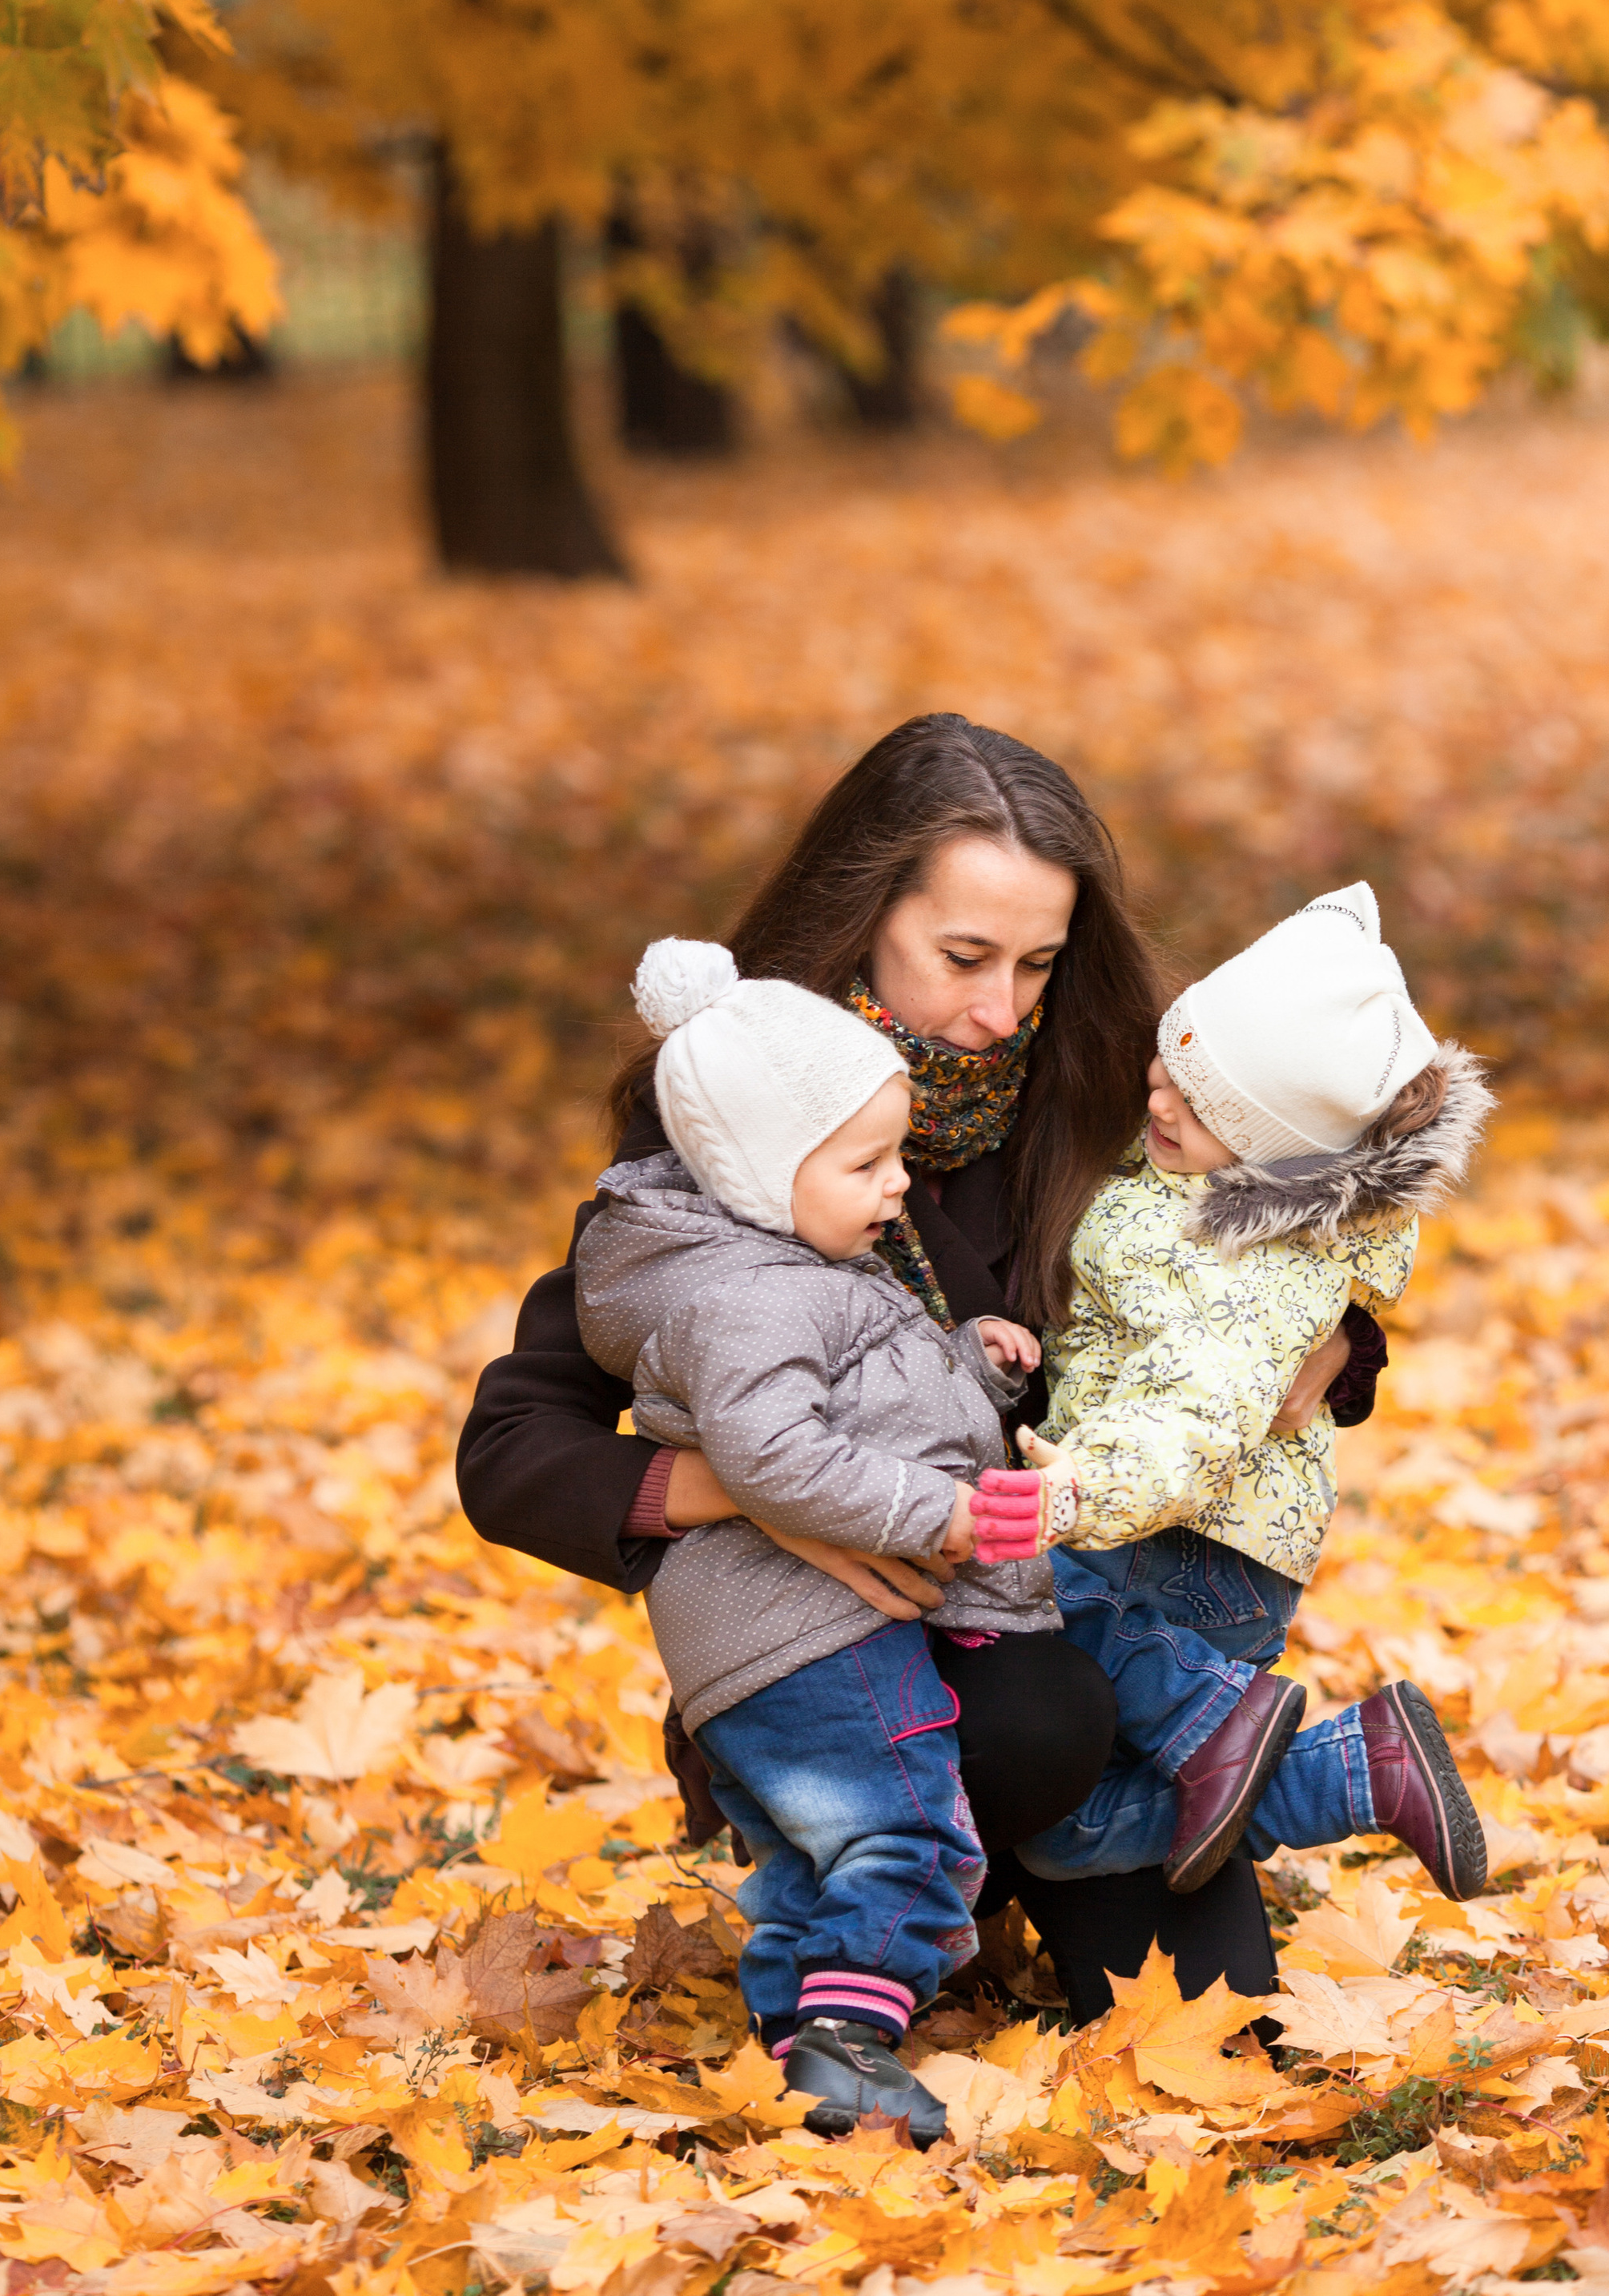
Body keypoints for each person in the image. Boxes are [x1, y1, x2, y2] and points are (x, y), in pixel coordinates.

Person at [457, 715, 1353, 2017]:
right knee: (1034, 1725)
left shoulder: (1107, 1090)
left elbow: (1301, 1215)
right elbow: (513, 1447)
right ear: (862, 919)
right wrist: (746, 1486)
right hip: (843, 1657)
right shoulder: (745, 1120)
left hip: (1078, 1620)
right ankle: (871, 1877)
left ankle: (1007, 1862)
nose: (1001, 1011)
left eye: (1039, 963)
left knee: (1223, 2032)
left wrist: (1342, 1332)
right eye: (964, 956)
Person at [574, 941, 1059, 2143]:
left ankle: (804, 2051)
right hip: (810, 1631)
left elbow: (853, 1387)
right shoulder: (753, 1292)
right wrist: (932, 1513)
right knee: (910, 1832)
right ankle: (854, 2040)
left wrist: (965, 1358)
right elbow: (773, 1453)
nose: (898, 1186)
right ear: (754, 1169)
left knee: (811, 1858)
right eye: (867, 1163)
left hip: (759, 1641)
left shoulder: (779, 1260)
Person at [973, 885, 1494, 1903]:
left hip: (1177, 1541)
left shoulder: (1246, 1255)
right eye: (1171, 1064)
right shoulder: (1192, 1178)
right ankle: (1352, 1770)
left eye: (1207, 1105)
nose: (1163, 1102)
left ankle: (1208, 1718)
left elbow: (1197, 1409)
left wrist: (1082, 1489)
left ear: (1273, 1147)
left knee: (1022, 1587)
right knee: (1065, 1833)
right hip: (1189, 1536)